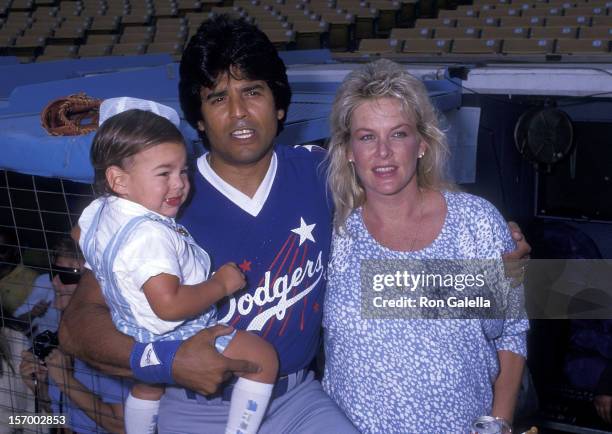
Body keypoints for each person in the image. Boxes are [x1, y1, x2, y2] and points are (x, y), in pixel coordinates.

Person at [59, 16, 531, 433]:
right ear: (197, 120)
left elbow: (401, 199)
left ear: (280, 105)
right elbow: (77, 327)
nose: (239, 112)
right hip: (198, 405)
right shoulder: (165, 198)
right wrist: (166, 361)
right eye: (218, 97)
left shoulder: (323, 175)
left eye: (253, 91)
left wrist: (494, 244)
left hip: (298, 399)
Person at [322, 59, 529, 433]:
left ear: (421, 142)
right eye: (367, 136)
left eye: (398, 134)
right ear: (349, 150)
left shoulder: (477, 223)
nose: (383, 152)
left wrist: (499, 423)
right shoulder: (333, 236)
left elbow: (512, 332)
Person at [78, 97, 278, 434]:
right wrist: (221, 285)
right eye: (163, 173)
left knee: (147, 386)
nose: (179, 184)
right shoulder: (151, 237)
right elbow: (169, 306)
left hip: (130, 327)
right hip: (172, 331)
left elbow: (79, 233)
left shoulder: (100, 210)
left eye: (183, 170)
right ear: (119, 180)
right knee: (263, 360)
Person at [20, 237, 129, 434]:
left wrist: (65, 380)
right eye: (55, 272)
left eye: (68, 275)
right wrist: (40, 388)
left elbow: (123, 427)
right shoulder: (65, 341)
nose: (55, 281)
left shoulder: (112, 344)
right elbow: (64, 418)